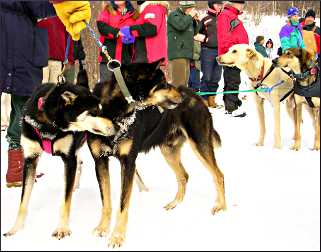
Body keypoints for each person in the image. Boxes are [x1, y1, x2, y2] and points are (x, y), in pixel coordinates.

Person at [0, 1, 91, 187]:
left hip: (20, 45)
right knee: (22, 107)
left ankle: (17, 168)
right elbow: (40, 6)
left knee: (22, 107)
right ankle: (17, 168)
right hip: (20, 48)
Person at [97, 0, 156, 82]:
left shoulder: (135, 14)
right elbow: (101, 26)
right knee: (105, 88)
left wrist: (132, 36)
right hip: (108, 57)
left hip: (127, 59)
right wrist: (116, 32)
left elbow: (144, 29)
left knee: (125, 89)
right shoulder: (108, 10)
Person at [217, 0, 248, 117]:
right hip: (231, 55)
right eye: (241, 4)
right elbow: (224, 36)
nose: (242, 6)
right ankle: (231, 107)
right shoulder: (225, 15)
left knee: (232, 79)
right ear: (234, 4)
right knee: (233, 80)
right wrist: (230, 52)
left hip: (236, 54)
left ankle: (231, 102)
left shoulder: (232, 15)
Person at [37, 16, 86, 84]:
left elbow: (69, 39)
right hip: (42, 61)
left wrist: (70, 59)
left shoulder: (63, 19)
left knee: (53, 88)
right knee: (41, 88)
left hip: (56, 60)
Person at [167, 1, 201, 87]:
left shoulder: (187, 17)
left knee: (184, 82)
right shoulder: (174, 15)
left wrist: (196, 21)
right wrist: (190, 16)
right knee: (178, 83)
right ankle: (175, 100)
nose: (192, 10)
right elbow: (180, 26)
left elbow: (195, 32)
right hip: (178, 53)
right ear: (184, 8)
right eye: (190, 8)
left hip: (186, 53)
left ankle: (182, 100)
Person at [198, 0, 223, 108]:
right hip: (207, 51)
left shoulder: (223, 18)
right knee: (207, 76)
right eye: (218, 4)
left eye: (221, 4)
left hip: (221, 51)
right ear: (212, 5)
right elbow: (195, 34)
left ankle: (212, 99)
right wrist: (206, 39)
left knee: (216, 77)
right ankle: (203, 100)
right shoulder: (204, 19)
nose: (220, 6)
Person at [136, 1, 170, 65]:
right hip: (149, 54)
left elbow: (151, 29)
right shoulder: (147, 8)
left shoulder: (152, 8)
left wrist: (130, 30)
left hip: (148, 53)